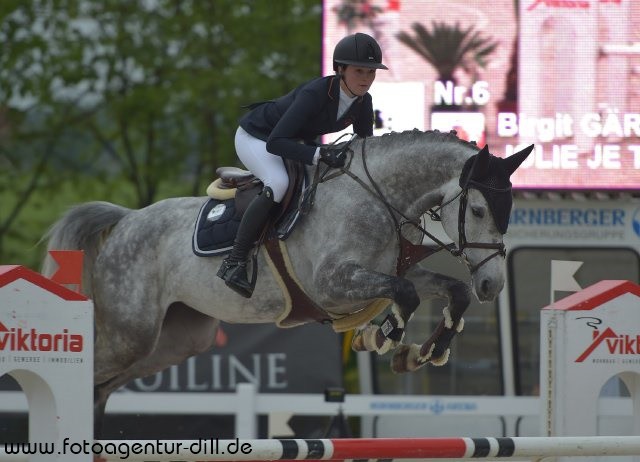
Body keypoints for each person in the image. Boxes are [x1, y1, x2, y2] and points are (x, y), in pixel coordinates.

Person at [217, 32, 388, 298]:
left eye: (371, 72)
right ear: (340, 69)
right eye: (359, 71)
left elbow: (365, 148)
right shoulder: (315, 93)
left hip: (290, 141)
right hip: (257, 137)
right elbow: (276, 143)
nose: (366, 79)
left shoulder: (363, 102)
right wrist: (319, 153)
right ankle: (235, 261)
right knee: (279, 183)